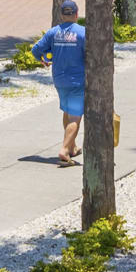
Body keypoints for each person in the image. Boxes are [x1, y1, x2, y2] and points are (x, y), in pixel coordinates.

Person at [44, 14, 88, 168]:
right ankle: (64, 150)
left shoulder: (53, 32)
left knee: (67, 112)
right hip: (76, 81)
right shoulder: (83, 32)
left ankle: (72, 147)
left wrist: (44, 58)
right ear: (76, 15)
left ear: (62, 15)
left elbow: (37, 50)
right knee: (75, 117)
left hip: (59, 80)